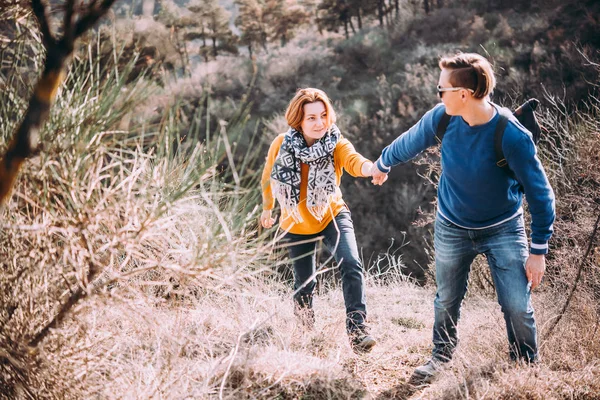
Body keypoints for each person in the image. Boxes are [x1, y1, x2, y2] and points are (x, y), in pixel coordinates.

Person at [370, 53, 555, 382]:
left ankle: (526, 367)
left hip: (503, 228)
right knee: (446, 299)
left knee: (516, 304)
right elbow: (410, 142)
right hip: (452, 226)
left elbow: (541, 194)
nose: (438, 95)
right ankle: (440, 359)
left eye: (441, 89)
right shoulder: (442, 118)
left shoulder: (511, 135)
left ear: (464, 94)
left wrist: (538, 250)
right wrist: (383, 164)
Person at [260, 88, 377, 353]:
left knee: (351, 263)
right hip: (295, 222)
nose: (319, 123)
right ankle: (305, 335)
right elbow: (269, 176)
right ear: (298, 120)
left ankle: (358, 331)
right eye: (311, 117)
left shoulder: (336, 143)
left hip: (331, 214)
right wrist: (267, 209)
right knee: (305, 284)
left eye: (323, 115)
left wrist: (372, 169)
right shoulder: (281, 143)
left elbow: (354, 161)